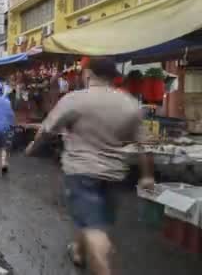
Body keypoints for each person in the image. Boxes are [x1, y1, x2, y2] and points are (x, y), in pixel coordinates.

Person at [26, 57, 154, 275]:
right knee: (93, 217)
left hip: (81, 172)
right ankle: (78, 251)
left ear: (88, 75)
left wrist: (32, 147)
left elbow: (46, 130)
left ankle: (100, 264)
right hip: (114, 174)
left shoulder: (74, 100)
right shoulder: (129, 103)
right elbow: (144, 144)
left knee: (95, 228)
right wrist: (147, 175)